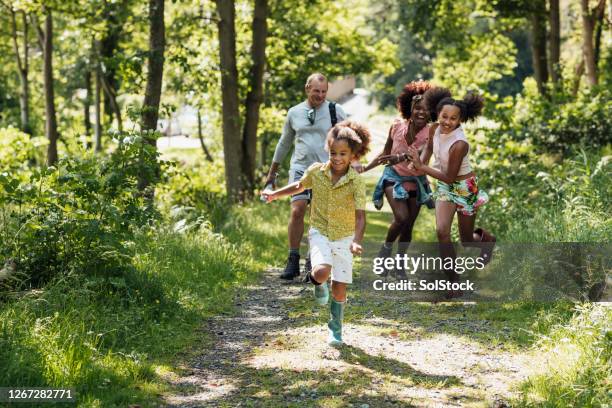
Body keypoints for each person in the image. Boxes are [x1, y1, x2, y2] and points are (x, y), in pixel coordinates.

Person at [263, 121, 370, 346]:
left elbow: (361, 217)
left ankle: (335, 330)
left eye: (343, 153)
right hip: (320, 231)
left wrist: (357, 241)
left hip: (344, 237)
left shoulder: (357, 182)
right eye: (333, 152)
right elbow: (298, 187)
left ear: (352, 155)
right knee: (321, 272)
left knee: (340, 291)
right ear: (327, 150)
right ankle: (318, 283)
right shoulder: (316, 171)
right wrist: (275, 194)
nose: (337, 158)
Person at [406, 88, 496, 297]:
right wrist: (422, 161)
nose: (447, 121)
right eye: (444, 116)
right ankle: (454, 282)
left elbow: (449, 176)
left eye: (453, 119)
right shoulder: (434, 128)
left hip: (464, 187)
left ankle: (487, 241)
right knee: (442, 232)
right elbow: (429, 148)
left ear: (460, 120)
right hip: (445, 187)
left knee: (466, 239)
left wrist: (421, 167)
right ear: (437, 113)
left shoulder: (459, 144)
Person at [264, 73, 347, 280]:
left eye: (323, 91)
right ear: (307, 88)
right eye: (316, 91)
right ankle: (293, 259)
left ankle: (313, 259)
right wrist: (272, 174)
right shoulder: (294, 113)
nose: (320, 95)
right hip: (300, 168)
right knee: (297, 210)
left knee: (319, 218)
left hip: (326, 170)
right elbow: (284, 143)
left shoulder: (335, 111)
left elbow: (349, 139)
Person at [362, 81, 434, 278]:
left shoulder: (431, 133)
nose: (421, 113)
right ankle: (385, 251)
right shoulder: (396, 126)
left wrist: (401, 157)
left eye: (426, 110)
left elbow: (421, 157)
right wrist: (365, 168)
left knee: (408, 225)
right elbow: (385, 154)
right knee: (401, 217)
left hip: (417, 181)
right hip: (393, 177)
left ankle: (399, 265)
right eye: (418, 108)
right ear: (409, 107)